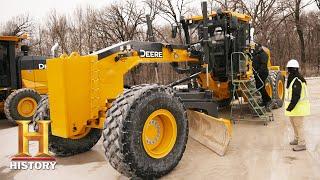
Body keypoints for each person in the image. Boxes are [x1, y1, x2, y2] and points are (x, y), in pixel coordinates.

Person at [285, 59, 310, 151]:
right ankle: (296, 139)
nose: (288, 70)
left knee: (299, 126)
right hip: (295, 108)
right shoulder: (293, 78)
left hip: (298, 108)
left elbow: (296, 96)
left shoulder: (296, 80)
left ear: (292, 69)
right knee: (294, 125)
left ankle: (302, 143)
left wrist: (290, 107)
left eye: (289, 68)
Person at [252, 44, 272, 109]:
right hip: (257, 73)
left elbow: (263, 65)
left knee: (261, 87)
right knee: (259, 87)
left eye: (257, 47)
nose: (256, 49)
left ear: (260, 48)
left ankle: (268, 100)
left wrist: (258, 71)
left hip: (262, 73)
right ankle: (265, 101)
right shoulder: (256, 54)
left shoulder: (264, 54)